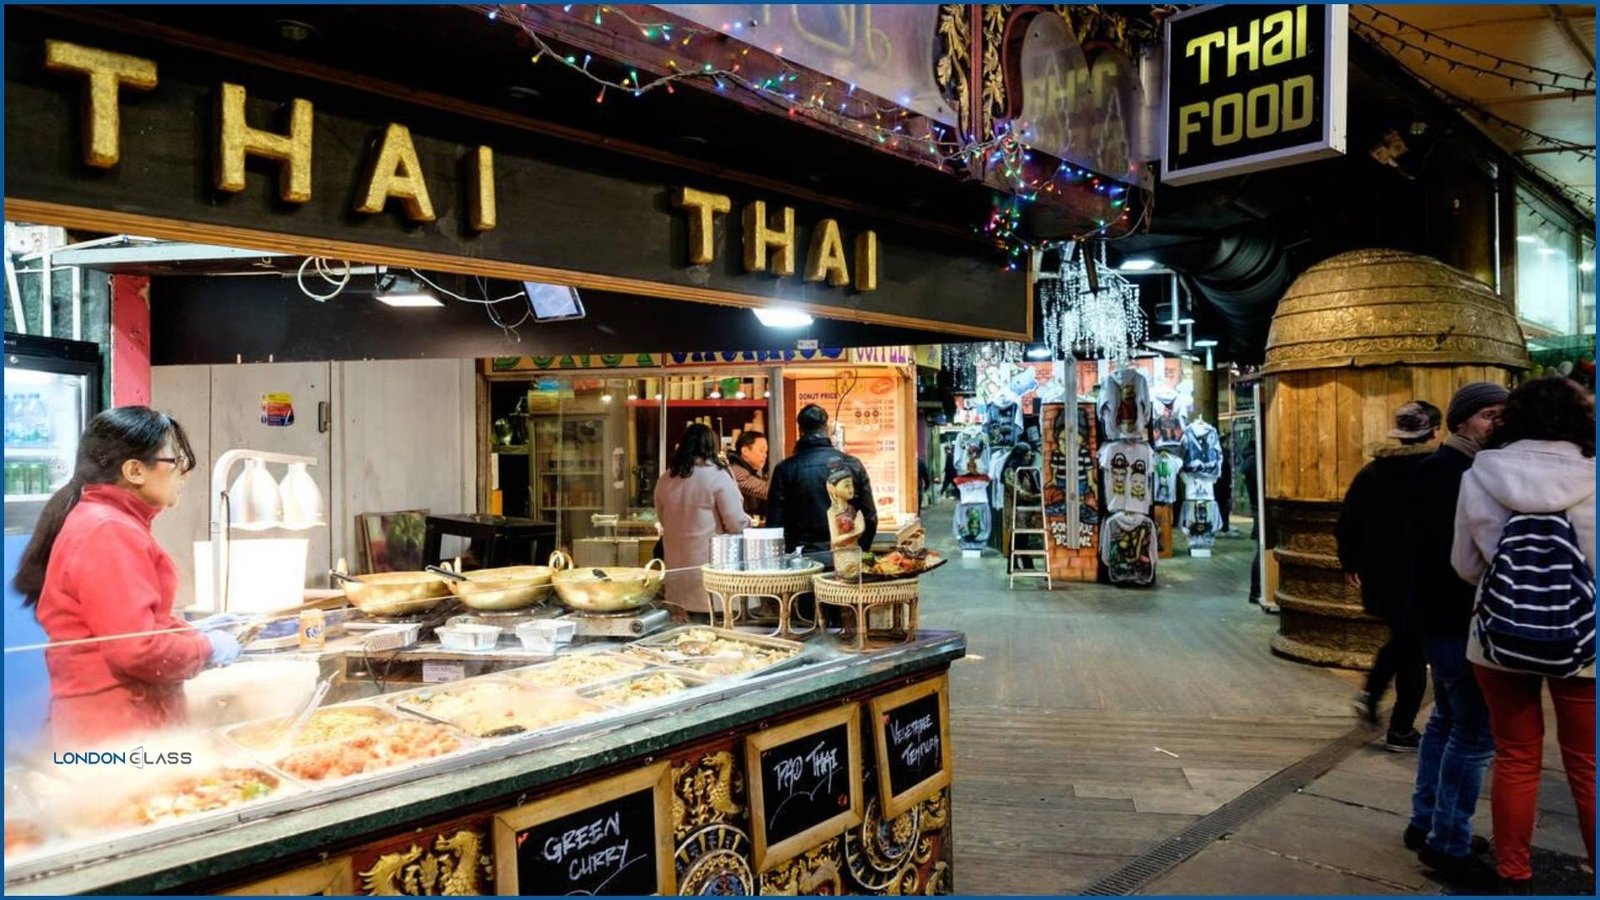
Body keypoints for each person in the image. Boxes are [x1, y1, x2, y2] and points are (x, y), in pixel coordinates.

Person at [12, 407, 241, 747]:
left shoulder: (108, 521)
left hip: (111, 724)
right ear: (135, 470)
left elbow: (127, 626)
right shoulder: (108, 530)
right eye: (174, 461)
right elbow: (138, 649)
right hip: (116, 736)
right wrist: (206, 648)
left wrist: (188, 632)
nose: (184, 473)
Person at [1453, 376, 1596, 894]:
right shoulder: (1594, 474)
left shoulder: (1481, 473)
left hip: (1498, 635)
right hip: (1584, 640)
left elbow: (1465, 564)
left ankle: (1514, 872)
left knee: (1516, 754)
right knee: (1587, 762)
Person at [1403, 382, 1507, 886]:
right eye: (1489, 414)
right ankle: (1448, 841)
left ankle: (1426, 823)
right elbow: (1456, 554)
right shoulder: (1452, 472)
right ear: (1463, 420)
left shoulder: (1447, 468)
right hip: (1454, 618)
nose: (1497, 424)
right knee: (1475, 732)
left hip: (1438, 616)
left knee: (1446, 720)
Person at [1337, 400, 1441, 751]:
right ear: (1435, 431)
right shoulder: (1436, 469)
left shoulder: (1372, 472)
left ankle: (1392, 717)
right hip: (1425, 573)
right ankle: (1390, 715)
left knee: (1407, 642)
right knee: (1410, 643)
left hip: (1381, 573)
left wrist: (1350, 563)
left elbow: (1348, 521)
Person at [653, 423, 750, 619]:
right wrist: (747, 523)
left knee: (682, 632)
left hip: (676, 570)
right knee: (712, 629)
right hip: (710, 569)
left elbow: (662, 517)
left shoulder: (666, 478)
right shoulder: (717, 476)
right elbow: (735, 522)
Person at [768, 404, 877, 563]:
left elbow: (775, 524)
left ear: (800, 431)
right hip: (846, 557)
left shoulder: (785, 469)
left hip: (801, 561)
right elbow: (870, 516)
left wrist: (787, 556)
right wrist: (859, 549)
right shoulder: (853, 464)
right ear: (826, 428)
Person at [727, 430, 769, 518]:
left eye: (766, 452)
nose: (765, 455)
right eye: (761, 450)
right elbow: (764, 489)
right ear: (745, 451)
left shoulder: (750, 471)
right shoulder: (735, 470)